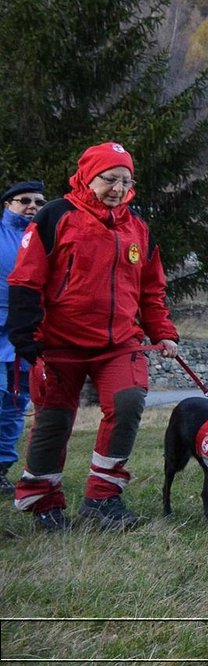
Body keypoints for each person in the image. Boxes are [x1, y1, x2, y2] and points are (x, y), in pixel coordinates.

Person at [6, 144, 180, 532]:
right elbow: (25, 279)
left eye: (125, 180)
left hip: (119, 343)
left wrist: (163, 333)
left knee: (129, 400)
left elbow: (151, 290)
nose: (117, 188)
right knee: (53, 421)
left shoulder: (137, 227)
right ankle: (43, 501)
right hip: (58, 344)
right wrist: (26, 337)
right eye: (109, 179)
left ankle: (102, 499)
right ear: (87, 176)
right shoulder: (55, 216)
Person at [0, 180, 46, 496]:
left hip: (27, 336)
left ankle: (1, 469)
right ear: (8, 204)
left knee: (15, 405)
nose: (32, 206)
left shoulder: (45, 237)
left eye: (39, 202)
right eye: (24, 200)